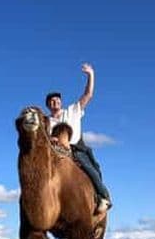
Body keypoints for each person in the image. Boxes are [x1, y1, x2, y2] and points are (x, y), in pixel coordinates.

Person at [46, 63, 112, 214]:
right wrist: (51, 139)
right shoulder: (47, 121)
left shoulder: (71, 110)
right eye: (51, 101)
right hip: (55, 152)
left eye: (57, 100)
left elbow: (88, 95)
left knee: (89, 168)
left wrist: (91, 75)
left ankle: (103, 196)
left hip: (75, 148)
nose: (54, 102)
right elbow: (43, 138)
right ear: (48, 105)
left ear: (60, 102)